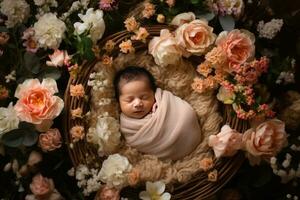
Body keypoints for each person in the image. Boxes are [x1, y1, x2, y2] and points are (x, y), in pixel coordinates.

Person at [114, 66, 201, 160]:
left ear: (153, 94)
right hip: (167, 151)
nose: (138, 103)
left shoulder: (163, 101)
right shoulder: (126, 126)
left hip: (187, 129)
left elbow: (181, 112)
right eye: (129, 100)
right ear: (119, 101)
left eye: (144, 97)